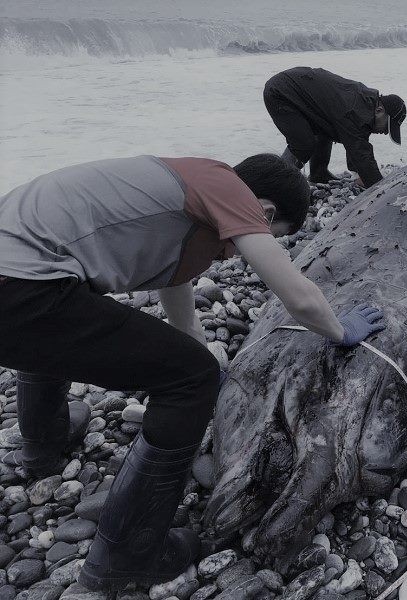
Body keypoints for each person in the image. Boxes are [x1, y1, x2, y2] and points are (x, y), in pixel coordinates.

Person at [0, 153, 385, 590]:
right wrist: (340, 330)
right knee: (190, 378)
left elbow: (180, 308)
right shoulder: (228, 190)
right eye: (264, 235)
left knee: (178, 361)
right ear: (265, 212)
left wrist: (206, 365)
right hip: (22, 289)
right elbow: (298, 295)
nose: (235, 254)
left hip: (20, 279)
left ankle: (42, 444)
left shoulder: (182, 197)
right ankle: (129, 554)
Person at [263, 67, 407, 188]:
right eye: (387, 126)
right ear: (380, 110)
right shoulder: (355, 111)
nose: (385, 132)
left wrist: (361, 174)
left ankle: (319, 174)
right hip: (281, 92)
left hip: (298, 90)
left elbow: (355, 140)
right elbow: (359, 150)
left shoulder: (366, 104)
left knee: (325, 129)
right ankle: (274, 185)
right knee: (303, 145)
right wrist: (377, 186)